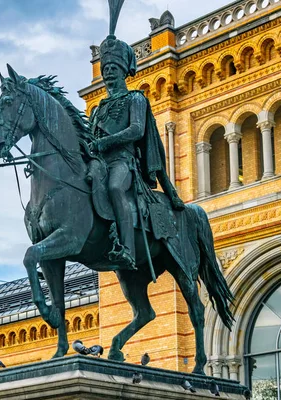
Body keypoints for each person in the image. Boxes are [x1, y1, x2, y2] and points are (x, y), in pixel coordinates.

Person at [89, 32, 184, 270]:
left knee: (114, 187)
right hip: (100, 163)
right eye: (106, 67)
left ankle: (128, 249)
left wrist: (105, 143)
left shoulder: (136, 99)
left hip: (123, 162)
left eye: (114, 67)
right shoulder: (98, 109)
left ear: (123, 71)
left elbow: (136, 130)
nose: (109, 71)